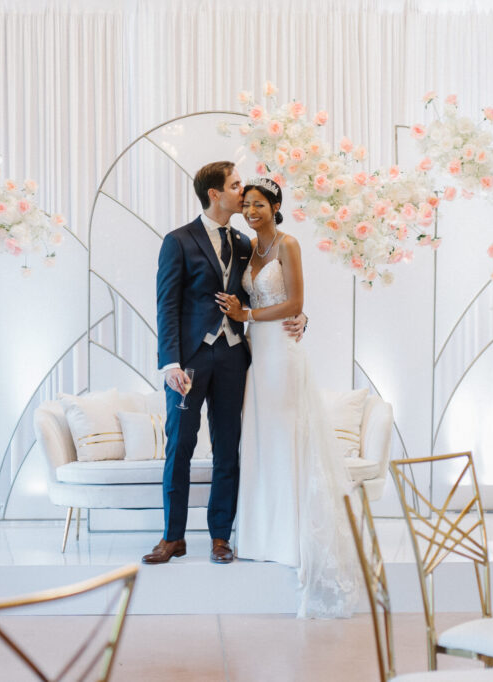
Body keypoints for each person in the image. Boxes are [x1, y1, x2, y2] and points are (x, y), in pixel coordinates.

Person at [145, 162, 304, 565]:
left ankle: (220, 536)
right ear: (215, 193)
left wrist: (299, 316)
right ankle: (172, 537)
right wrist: (170, 364)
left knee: (228, 449)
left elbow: (266, 292)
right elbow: (167, 306)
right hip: (191, 361)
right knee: (179, 445)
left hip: (235, 357)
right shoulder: (177, 241)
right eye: (235, 186)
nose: (242, 192)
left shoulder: (244, 242)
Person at [217, 177, 362, 618]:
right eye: (246, 204)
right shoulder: (246, 248)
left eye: (259, 204)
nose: (251, 210)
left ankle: (292, 539)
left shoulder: (288, 245)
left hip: (282, 349)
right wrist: (246, 319)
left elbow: (296, 300)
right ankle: (261, 536)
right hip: (255, 354)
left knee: (288, 438)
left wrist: (251, 314)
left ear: (276, 205)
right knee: (261, 442)